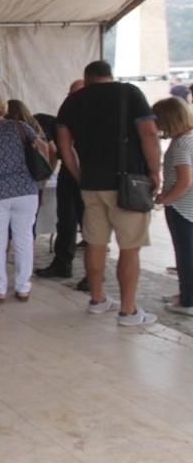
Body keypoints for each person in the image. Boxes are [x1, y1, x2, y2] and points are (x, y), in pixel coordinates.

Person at [57, 60, 160, 326]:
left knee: (95, 243)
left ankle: (98, 299)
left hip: (91, 183)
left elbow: (64, 144)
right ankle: (128, 311)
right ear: (110, 75)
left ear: (87, 77)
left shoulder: (72, 102)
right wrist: (155, 171)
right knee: (130, 247)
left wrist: (77, 172)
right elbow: (148, 133)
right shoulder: (130, 93)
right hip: (127, 182)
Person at [0, 91, 48, 302]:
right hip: (25, 188)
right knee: (24, 238)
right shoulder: (20, 126)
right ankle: (23, 287)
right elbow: (43, 145)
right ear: (1, 106)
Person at [36, 80, 87, 281]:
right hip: (69, 172)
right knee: (65, 218)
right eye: (70, 93)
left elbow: (55, 150)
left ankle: (91, 276)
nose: (70, 97)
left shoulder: (94, 114)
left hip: (86, 172)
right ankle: (62, 262)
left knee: (88, 223)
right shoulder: (67, 112)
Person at [152, 97, 193, 316]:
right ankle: (186, 294)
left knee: (185, 255)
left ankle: (188, 301)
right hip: (188, 206)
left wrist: (165, 198)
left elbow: (185, 180)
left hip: (182, 207)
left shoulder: (181, 144)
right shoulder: (189, 138)